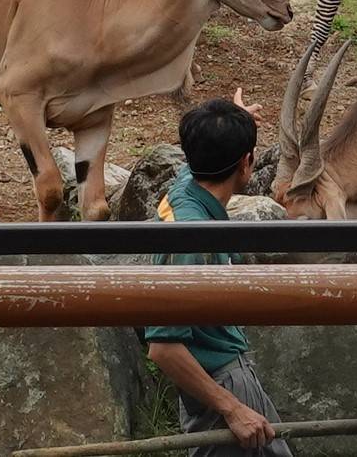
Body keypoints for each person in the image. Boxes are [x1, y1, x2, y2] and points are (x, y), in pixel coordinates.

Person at [144, 89, 293, 456]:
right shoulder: (193, 241)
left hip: (224, 378)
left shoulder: (185, 190)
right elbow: (164, 348)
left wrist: (231, 118)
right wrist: (233, 408)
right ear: (246, 163)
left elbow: (199, 155)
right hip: (220, 384)